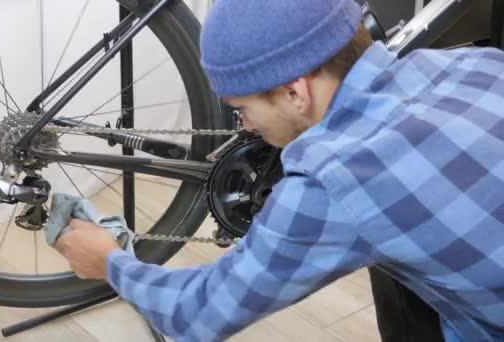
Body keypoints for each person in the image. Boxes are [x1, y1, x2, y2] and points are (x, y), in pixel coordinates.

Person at [53, 0, 504, 340]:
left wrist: (111, 262)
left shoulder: (336, 179)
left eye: (242, 108)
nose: (244, 125)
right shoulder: (470, 63)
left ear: (294, 93)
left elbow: (196, 314)